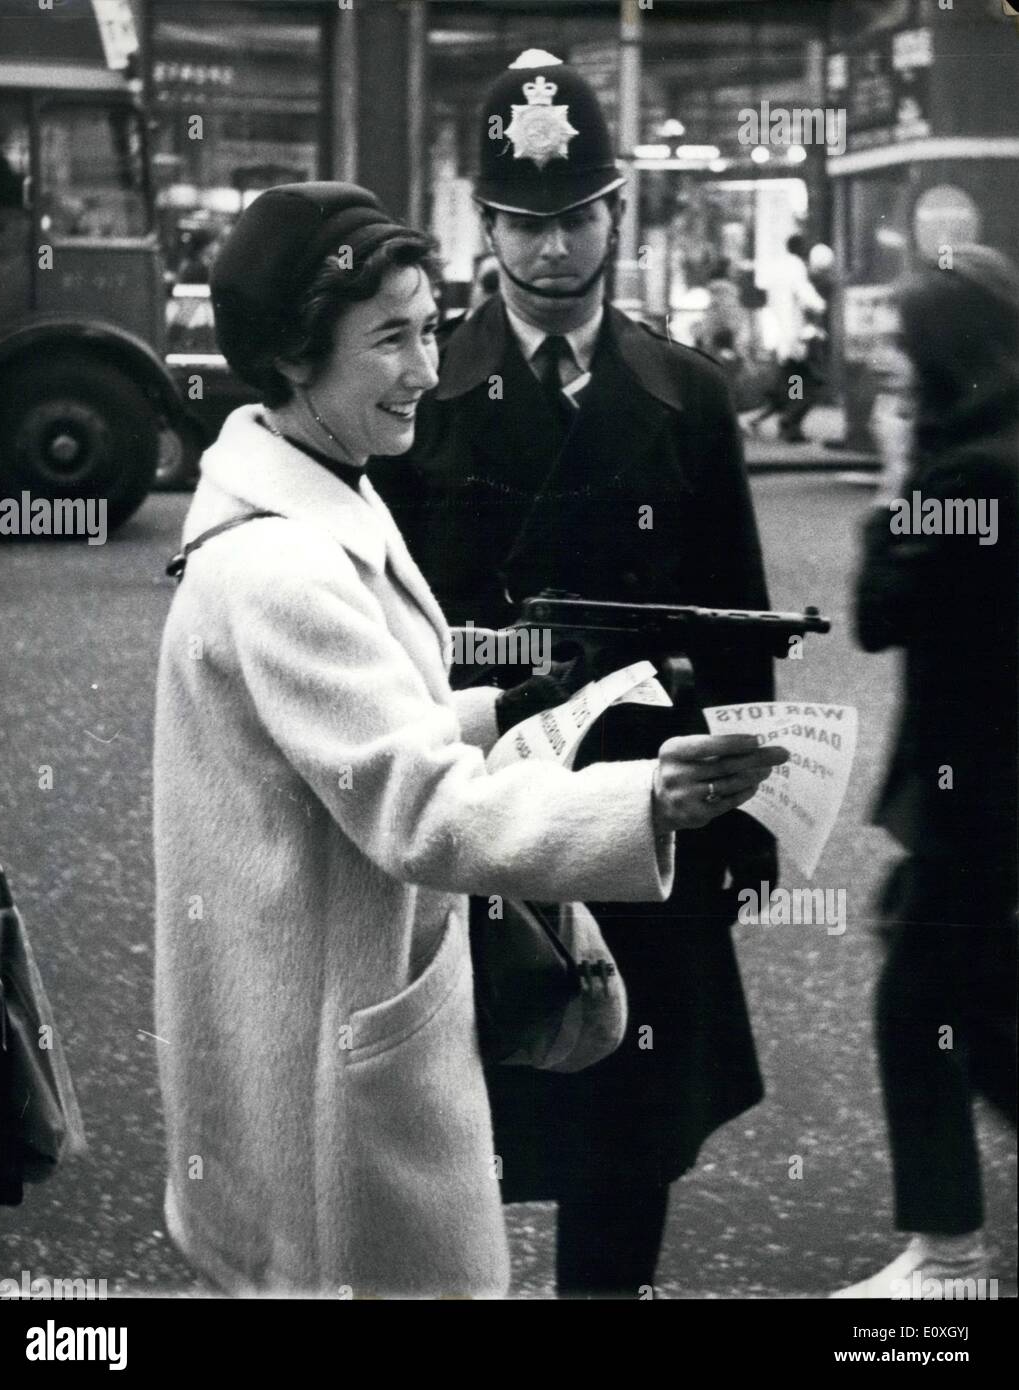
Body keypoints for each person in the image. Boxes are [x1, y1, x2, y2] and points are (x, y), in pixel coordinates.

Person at [152, 181, 787, 1299]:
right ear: (296, 358)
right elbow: (418, 804)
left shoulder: (317, 497)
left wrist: (506, 707)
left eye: (428, 328)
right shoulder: (283, 566)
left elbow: (367, 732)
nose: (423, 368)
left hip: (332, 995)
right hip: (324, 1048)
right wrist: (646, 802)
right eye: (389, 338)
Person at [372, 52, 780, 1298]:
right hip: (486, 812)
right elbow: (387, 627)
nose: (551, 248)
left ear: (615, 216)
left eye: (575, 216)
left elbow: (743, 625)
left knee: (625, 1153)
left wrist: (749, 812)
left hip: (648, 820)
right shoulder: (415, 400)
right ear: (484, 226)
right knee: (452, 1143)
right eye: (523, 221)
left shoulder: (689, 394)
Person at [836, 246, 1018, 1298]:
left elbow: (877, 612)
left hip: (976, 791)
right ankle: (945, 1247)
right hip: (987, 792)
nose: (891, 375)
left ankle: (948, 1255)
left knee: (922, 1003)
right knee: (972, 1001)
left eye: (905, 354)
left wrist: (895, 481)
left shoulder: (967, 474)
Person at [747, 234, 826, 442]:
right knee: (810, 383)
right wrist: (820, 305)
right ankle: (790, 421)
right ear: (800, 248)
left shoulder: (779, 268)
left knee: (794, 380)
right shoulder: (796, 267)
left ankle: (788, 423)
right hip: (798, 336)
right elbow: (806, 296)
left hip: (783, 336)